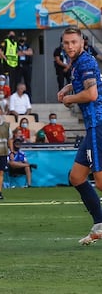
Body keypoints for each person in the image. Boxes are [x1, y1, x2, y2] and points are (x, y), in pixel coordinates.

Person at [56, 26, 102, 245]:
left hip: (97, 124)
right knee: (76, 177)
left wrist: (69, 99)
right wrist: (68, 88)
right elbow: (88, 83)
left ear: (82, 41)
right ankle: (100, 224)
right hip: (93, 125)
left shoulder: (85, 62)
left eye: (74, 42)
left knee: (100, 181)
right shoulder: (80, 62)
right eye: (66, 43)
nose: (70, 46)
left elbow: (91, 94)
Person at [16, 32, 33, 97]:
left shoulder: (28, 45)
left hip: (27, 65)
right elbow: (16, 53)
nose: (22, 38)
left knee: (28, 83)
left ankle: (28, 98)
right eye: (20, 37)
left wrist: (23, 52)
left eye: (23, 37)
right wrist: (25, 52)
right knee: (18, 82)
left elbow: (30, 52)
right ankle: (18, 97)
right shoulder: (16, 45)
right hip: (18, 65)